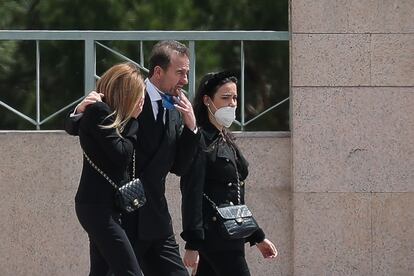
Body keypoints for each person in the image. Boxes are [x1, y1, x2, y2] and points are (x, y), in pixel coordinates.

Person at [65, 40, 200, 276]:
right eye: (179, 72)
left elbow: (179, 166)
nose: (185, 80)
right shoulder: (126, 96)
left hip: (156, 219)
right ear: (158, 72)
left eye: (187, 73)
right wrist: (77, 112)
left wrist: (192, 129)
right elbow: (85, 126)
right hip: (123, 214)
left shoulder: (177, 110)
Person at [180, 71, 278, 276]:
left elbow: (235, 197)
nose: (232, 103)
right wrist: (193, 243)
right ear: (207, 100)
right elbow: (192, 192)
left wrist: (257, 236)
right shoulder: (200, 140)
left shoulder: (224, 138)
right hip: (215, 236)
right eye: (225, 98)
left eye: (234, 98)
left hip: (232, 232)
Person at [75, 62, 145, 276]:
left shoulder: (109, 117)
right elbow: (121, 156)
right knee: (130, 271)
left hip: (105, 207)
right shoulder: (99, 111)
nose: (142, 101)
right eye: (138, 94)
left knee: (101, 270)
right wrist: (133, 120)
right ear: (126, 94)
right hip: (97, 207)